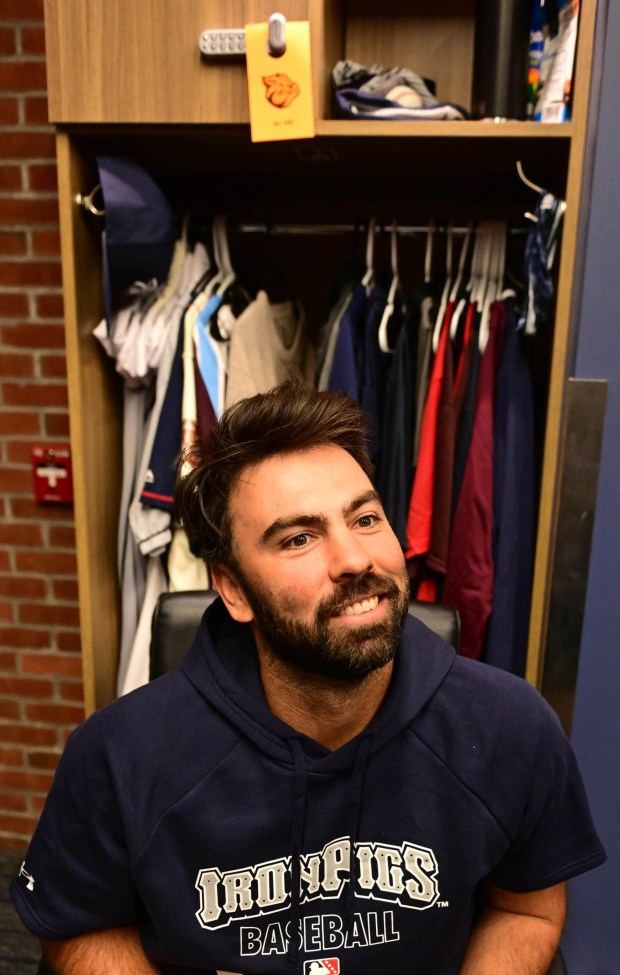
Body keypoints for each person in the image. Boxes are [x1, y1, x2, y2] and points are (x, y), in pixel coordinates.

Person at [11, 378, 605, 974]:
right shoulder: (119, 756)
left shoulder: (510, 729)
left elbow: (527, 910)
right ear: (234, 589)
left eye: (366, 519)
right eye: (299, 538)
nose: (353, 560)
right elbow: (80, 924)